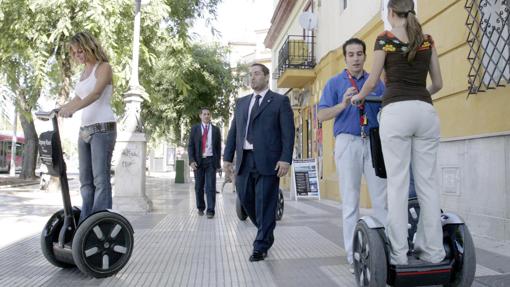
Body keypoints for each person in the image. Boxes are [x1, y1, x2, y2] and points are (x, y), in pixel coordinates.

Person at [351, 0, 445, 265]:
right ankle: (434, 251)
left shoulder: (385, 39)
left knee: (398, 183)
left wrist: (360, 96)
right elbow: (438, 83)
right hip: (425, 112)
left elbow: (372, 80)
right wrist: (417, 97)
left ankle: (399, 254)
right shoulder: (427, 40)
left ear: (391, 12)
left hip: (396, 113)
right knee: (427, 183)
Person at [317, 38, 388, 272]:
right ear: (345, 57)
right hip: (347, 142)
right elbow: (321, 115)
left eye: (360, 54)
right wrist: (343, 104)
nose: (356, 58)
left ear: (365, 56)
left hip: (373, 141)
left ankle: (385, 251)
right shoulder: (335, 82)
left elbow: (387, 109)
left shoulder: (375, 81)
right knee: (350, 201)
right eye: (351, 54)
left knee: (381, 199)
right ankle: (353, 256)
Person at [223, 63, 295, 262]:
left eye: (256, 74)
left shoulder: (280, 101)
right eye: (250, 74)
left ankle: (260, 245)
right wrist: (227, 158)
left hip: (269, 161)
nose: (252, 78)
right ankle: (266, 231)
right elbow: (234, 132)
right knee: (246, 199)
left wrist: (285, 159)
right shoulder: (241, 102)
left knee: (265, 203)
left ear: (266, 76)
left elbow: (288, 133)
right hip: (244, 160)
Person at [58, 31, 117, 223]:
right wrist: (63, 109)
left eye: (80, 51)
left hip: (103, 128)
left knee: (100, 180)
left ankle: (98, 222)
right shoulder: (83, 72)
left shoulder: (104, 67)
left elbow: (95, 94)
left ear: (90, 47)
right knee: (85, 181)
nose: (78, 56)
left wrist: (71, 110)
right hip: (84, 130)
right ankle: (85, 222)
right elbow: (78, 97)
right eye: (74, 53)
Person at [188, 108, 222, 218]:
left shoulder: (216, 130)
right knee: (199, 186)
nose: (206, 116)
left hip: (211, 160)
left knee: (210, 186)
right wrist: (191, 160)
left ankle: (211, 210)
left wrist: (218, 164)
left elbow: (218, 147)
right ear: (200, 116)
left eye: (208, 114)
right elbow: (190, 146)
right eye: (204, 114)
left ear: (210, 116)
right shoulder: (195, 129)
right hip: (198, 161)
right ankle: (200, 207)